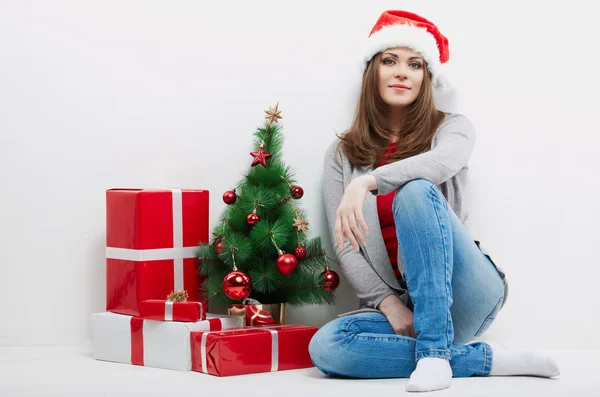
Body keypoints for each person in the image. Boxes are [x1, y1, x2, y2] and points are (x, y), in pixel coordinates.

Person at [308, 10, 560, 393]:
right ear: (372, 71)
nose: (401, 72)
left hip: (466, 292)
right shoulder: (342, 154)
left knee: (414, 190)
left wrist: (369, 183)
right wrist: (388, 304)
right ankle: (485, 359)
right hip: (402, 305)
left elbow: (441, 164)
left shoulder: (452, 128)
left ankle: (433, 355)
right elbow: (346, 244)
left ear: (427, 77)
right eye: (389, 61)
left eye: (415, 64)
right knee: (327, 347)